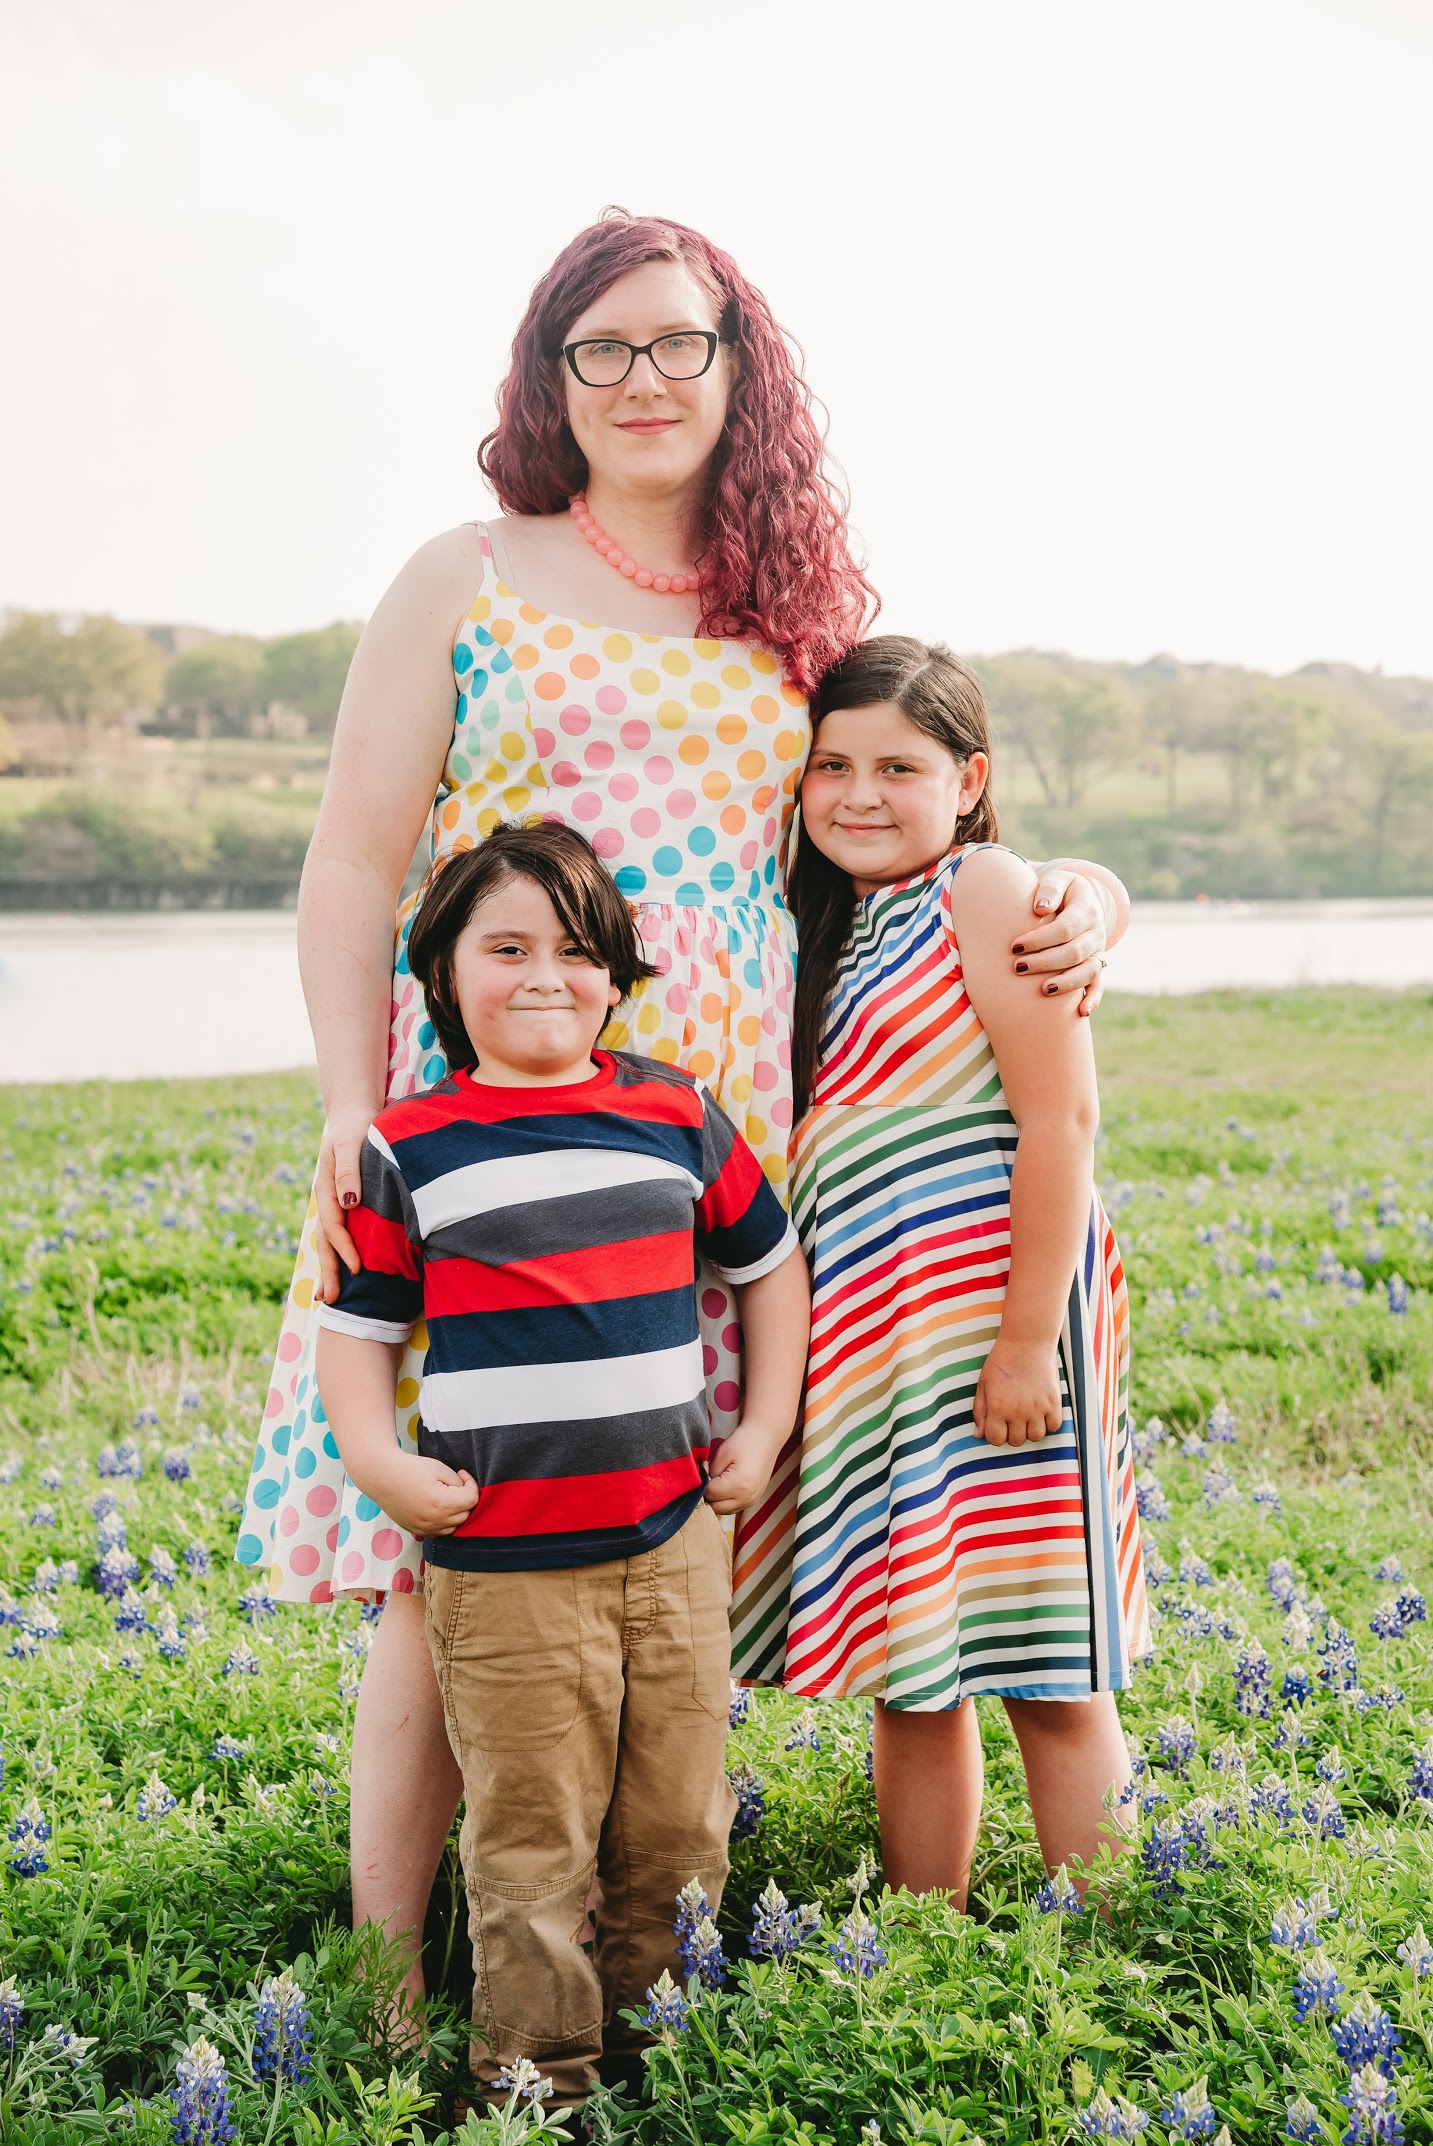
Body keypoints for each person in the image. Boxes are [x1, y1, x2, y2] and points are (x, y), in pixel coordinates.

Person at [235, 208, 1128, 2022]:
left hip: (713, 1135)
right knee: (447, 1540)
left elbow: (927, 807)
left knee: (661, 1535)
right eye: (602, 346)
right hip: (486, 1111)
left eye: (678, 342)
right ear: (549, 373)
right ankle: (388, 1971)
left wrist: (1089, 895)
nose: (642, 378)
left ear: (740, 368)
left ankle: (634, 1949)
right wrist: (346, 1101)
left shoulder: (795, 608)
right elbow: (349, 859)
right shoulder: (464, 571)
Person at [315, 820, 810, 2108]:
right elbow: (357, 1333)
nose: (547, 974)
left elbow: (768, 1268)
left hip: (672, 1541)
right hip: (504, 1567)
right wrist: (376, 1461)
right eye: (507, 947)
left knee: (679, 1825)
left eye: (578, 949)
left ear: (618, 974)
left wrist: (760, 1429)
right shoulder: (408, 1145)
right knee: (530, 1841)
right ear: (441, 971)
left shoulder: (675, 1111)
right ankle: (540, 2087)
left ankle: (664, 2064)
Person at [750, 635, 1150, 1906]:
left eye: (897, 768)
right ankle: (927, 1943)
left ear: (967, 779)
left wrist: (1026, 1342)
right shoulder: (821, 914)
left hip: (993, 1314)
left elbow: (1059, 1120)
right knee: (913, 1667)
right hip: (879, 1332)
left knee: (1047, 1663)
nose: (857, 794)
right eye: (830, 766)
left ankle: (1109, 1942)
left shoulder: (979, 887)